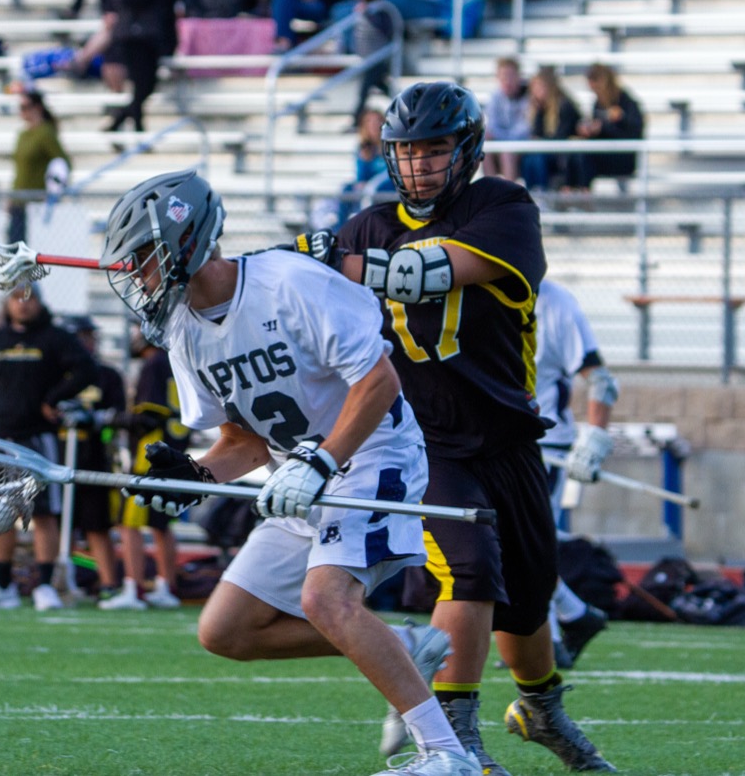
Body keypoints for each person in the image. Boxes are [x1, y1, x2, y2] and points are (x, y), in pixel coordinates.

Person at [100, 170, 477, 776]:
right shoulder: (183, 333)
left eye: (144, 259)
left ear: (187, 243)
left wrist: (320, 459)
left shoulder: (289, 283)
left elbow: (379, 382)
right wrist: (196, 474)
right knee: (226, 631)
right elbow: (244, 438)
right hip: (299, 475)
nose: (136, 277)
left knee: (325, 600)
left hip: (372, 455)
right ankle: (405, 646)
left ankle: (446, 754)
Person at [304, 82, 613, 772]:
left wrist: (331, 257)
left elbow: (425, 273)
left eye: (434, 148)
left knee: (530, 599)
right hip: (420, 440)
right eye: (406, 150)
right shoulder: (364, 226)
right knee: (469, 573)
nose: (417, 164)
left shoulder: (503, 208)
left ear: (467, 151)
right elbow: (285, 295)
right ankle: (454, 742)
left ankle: (541, 709)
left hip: (507, 433)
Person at [0, 285, 96, 612]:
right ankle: (2, 585)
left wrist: (53, 399)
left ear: (39, 301)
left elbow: (86, 370)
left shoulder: (55, 337)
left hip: (38, 438)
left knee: (43, 511)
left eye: (29, 298)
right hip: (0, 438)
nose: (23, 305)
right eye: (16, 298)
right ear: (6, 304)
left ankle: (45, 586)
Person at [532, 279, 617, 670]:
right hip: (486, 441)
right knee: (507, 543)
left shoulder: (556, 305)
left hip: (543, 445)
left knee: (524, 543)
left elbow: (599, 379)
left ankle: (548, 641)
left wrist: (595, 438)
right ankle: (576, 616)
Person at [99, 330, 186, 611]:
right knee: (162, 524)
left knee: (129, 522)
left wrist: (113, 419)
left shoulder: (154, 363)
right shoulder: (178, 360)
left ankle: (134, 587)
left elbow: (149, 417)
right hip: (174, 451)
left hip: (150, 455)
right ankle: (166, 586)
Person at [57, 316, 128, 605]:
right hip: (59, 459)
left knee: (97, 525)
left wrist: (96, 420)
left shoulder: (107, 375)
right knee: (59, 525)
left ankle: (109, 582)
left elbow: (118, 415)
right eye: (84, 336)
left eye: (91, 336)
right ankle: (60, 580)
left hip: (93, 459)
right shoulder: (55, 374)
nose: (90, 342)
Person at [103, 0, 174, 134]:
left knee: (147, 85)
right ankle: (136, 127)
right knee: (142, 85)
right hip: (133, 35)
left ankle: (121, 120)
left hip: (151, 35)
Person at [8, 89, 68, 244]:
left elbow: (62, 163)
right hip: (19, 201)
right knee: (14, 247)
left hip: (35, 204)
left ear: (38, 107)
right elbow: (20, 170)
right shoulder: (23, 134)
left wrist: (50, 191)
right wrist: (12, 196)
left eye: (26, 107)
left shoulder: (45, 133)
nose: (22, 111)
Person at [573, 62, 645, 186]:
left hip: (621, 157)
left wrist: (618, 120)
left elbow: (635, 131)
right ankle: (574, 193)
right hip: (603, 153)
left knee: (584, 157)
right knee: (575, 156)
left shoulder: (626, 102)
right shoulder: (598, 103)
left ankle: (583, 196)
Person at [521, 66, 582, 193]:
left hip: (563, 155)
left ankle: (542, 193)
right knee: (529, 159)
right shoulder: (540, 108)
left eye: (539, 87)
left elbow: (562, 136)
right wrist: (538, 111)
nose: (535, 91)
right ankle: (529, 194)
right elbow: (536, 133)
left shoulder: (565, 106)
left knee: (537, 157)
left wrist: (540, 141)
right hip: (548, 151)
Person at [482, 57, 530, 182]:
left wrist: (503, 140)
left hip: (521, 145)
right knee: (484, 146)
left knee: (507, 153)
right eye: (503, 76)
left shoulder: (528, 96)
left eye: (511, 76)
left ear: (519, 76)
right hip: (503, 142)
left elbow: (524, 129)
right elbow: (491, 125)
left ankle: (508, 196)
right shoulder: (495, 97)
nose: (507, 81)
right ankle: (491, 191)